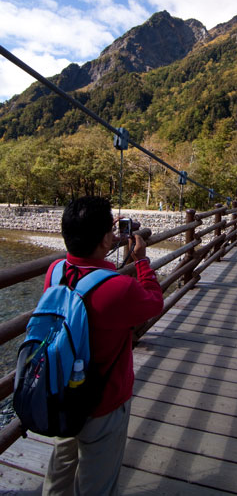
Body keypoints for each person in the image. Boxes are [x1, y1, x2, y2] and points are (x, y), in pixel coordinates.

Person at [42, 196, 163, 496]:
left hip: (62, 392)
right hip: (104, 402)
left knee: (61, 469)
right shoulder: (117, 287)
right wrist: (142, 261)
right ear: (105, 238)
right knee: (97, 484)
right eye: (110, 229)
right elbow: (154, 302)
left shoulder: (55, 271)